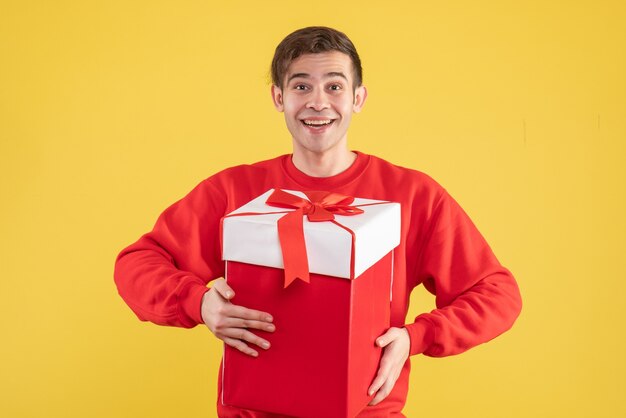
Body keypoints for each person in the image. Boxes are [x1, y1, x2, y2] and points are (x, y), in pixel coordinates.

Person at [114, 26, 522, 417]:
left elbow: (498, 294)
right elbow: (136, 264)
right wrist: (197, 302)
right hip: (252, 410)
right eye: (301, 86)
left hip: (368, 411)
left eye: (334, 85)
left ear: (358, 97)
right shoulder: (233, 190)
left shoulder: (413, 196)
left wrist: (417, 337)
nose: (318, 102)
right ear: (279, 97)